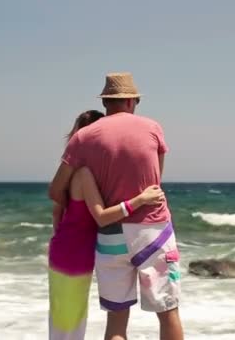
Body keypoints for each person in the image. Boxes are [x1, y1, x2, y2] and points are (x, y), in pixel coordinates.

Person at [49, 73, 184, 340]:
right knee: (168, 311)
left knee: (117, 319)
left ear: (105, 102)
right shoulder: (152, 128)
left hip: (110, 235)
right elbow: (157, 182)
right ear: (132, 101)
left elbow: (55, 190)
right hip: (152, 230)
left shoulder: (84, 137)